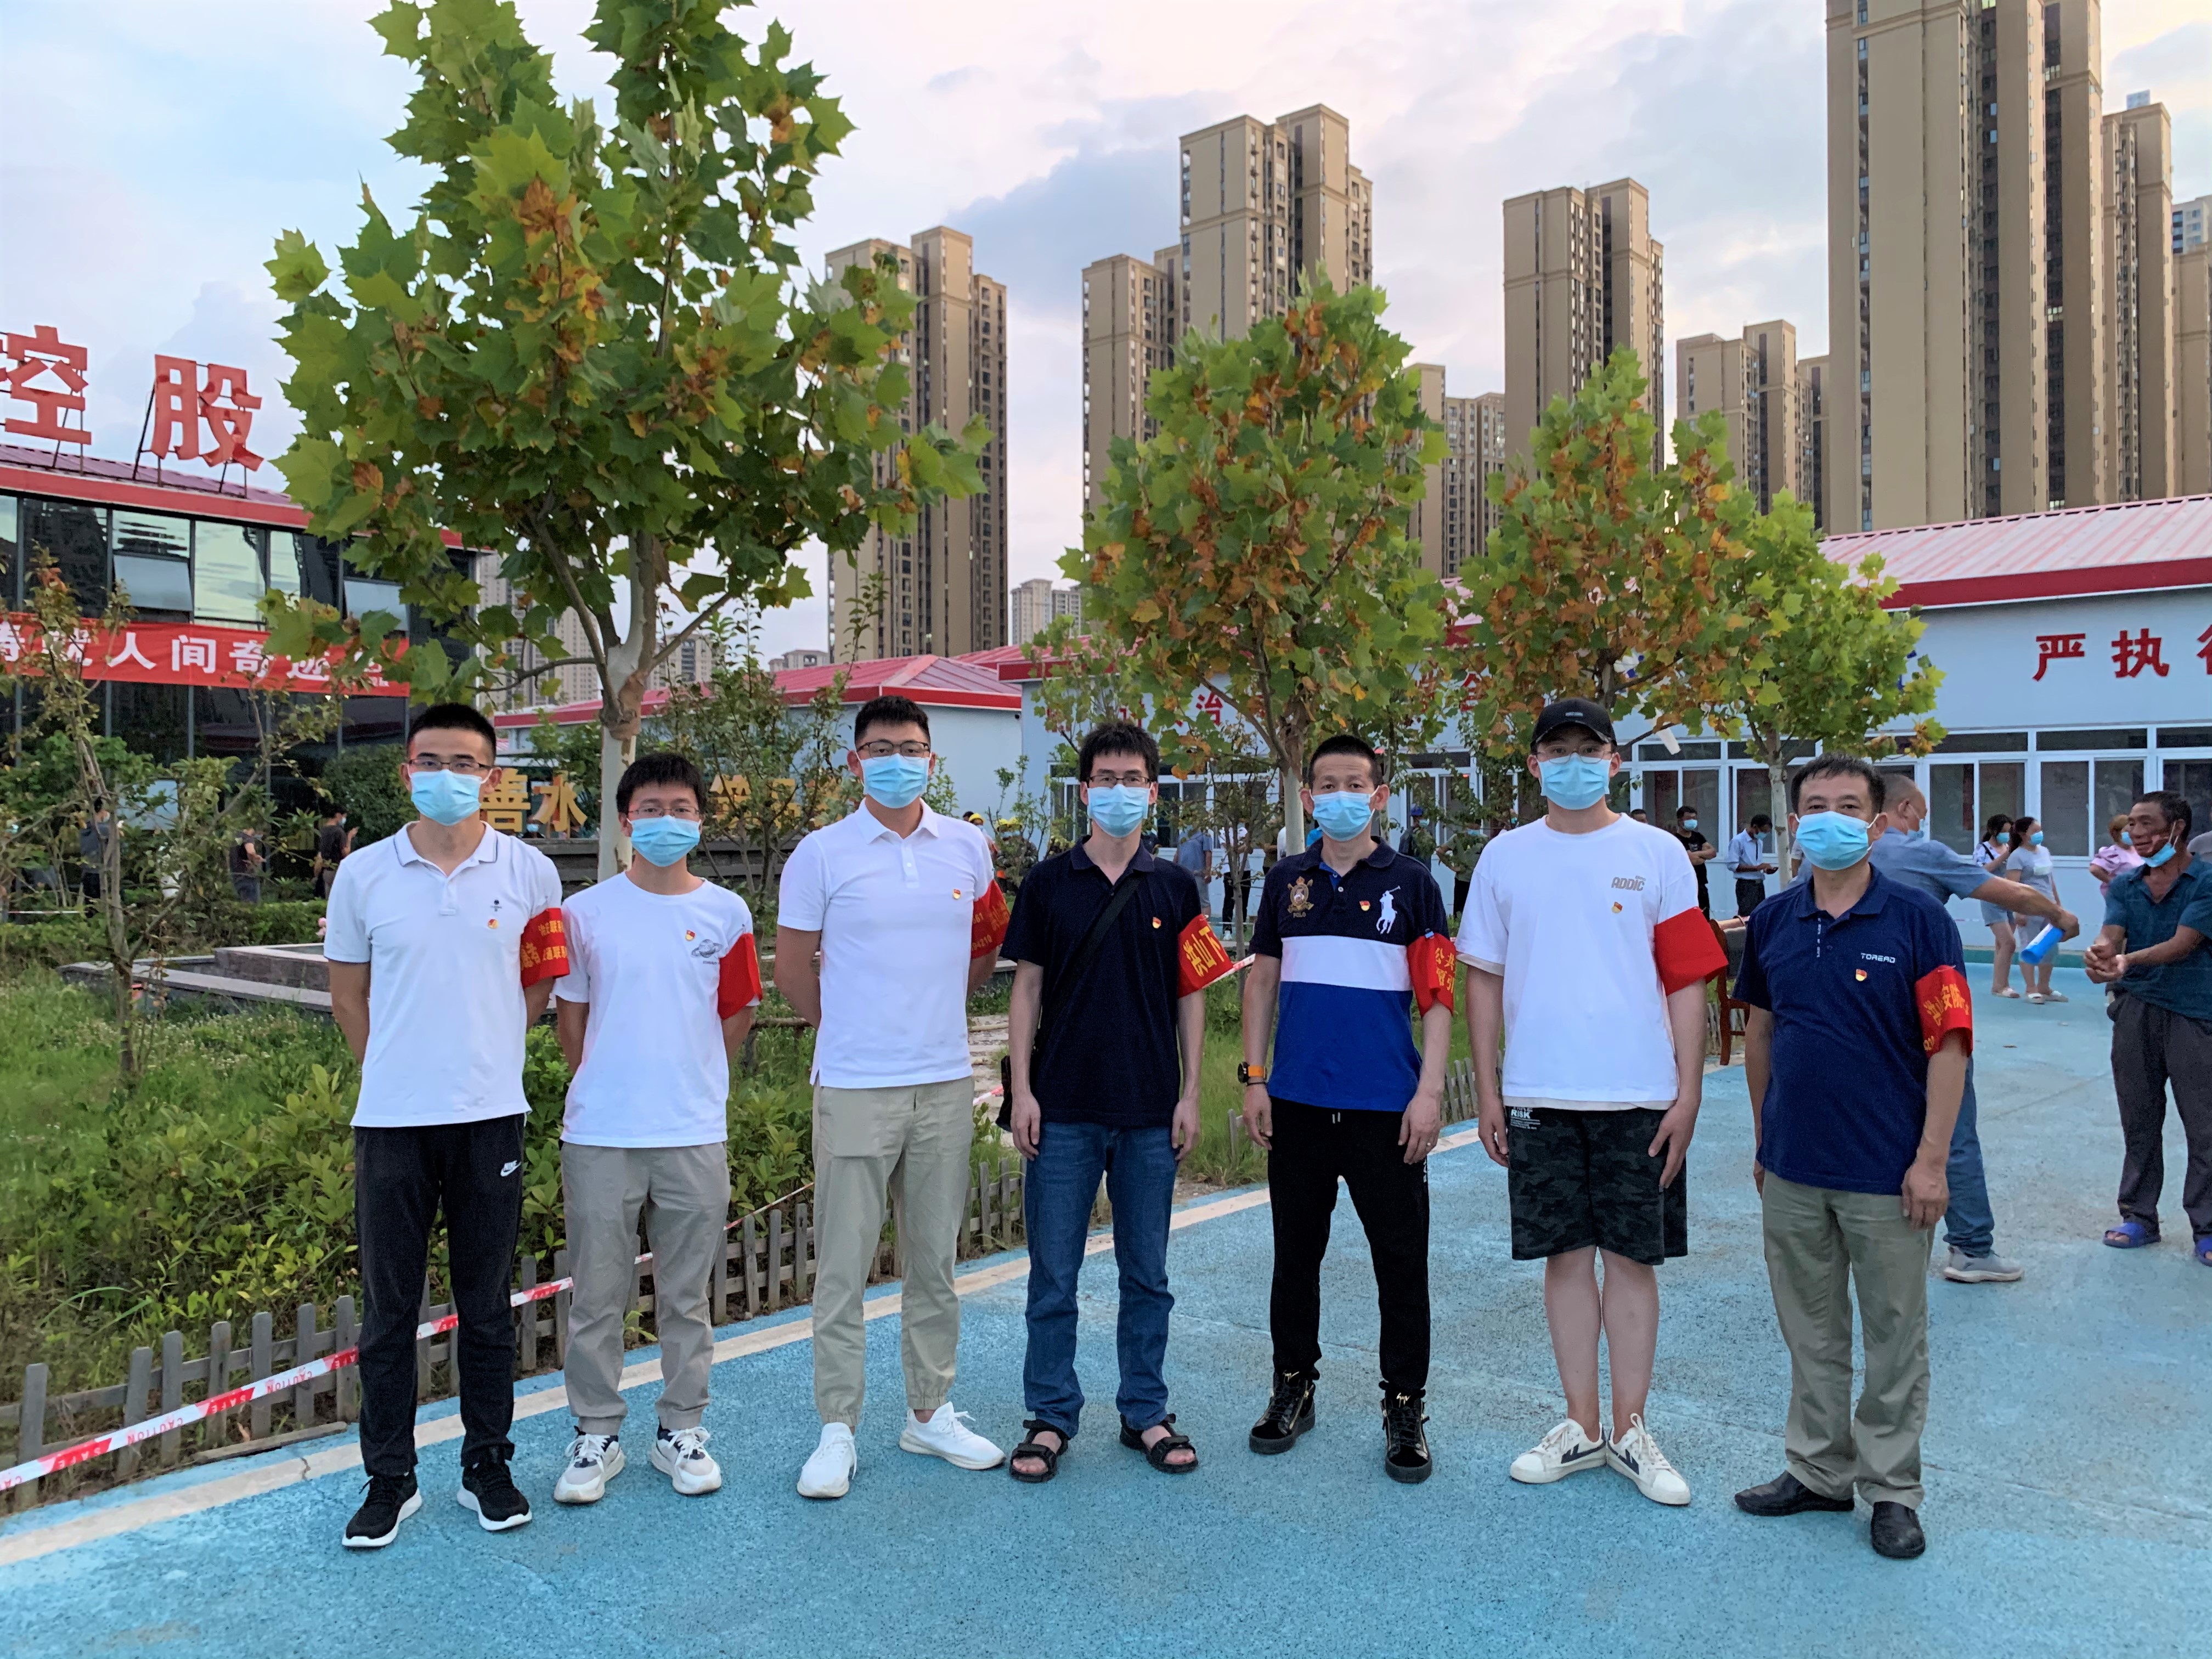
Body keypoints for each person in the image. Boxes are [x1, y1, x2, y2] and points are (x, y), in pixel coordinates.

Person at [1460, 699, 1724, 1507]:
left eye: (1588, 748)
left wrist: (1688, 1092)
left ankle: (1632, 1428)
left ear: (1614, 761)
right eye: (1556, 750)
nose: (1572, 763)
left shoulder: (1658, 852)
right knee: (1565, 1258)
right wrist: (1490, 1089)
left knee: (1633, 1262)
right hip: (1539, 1092)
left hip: (1639, 1095)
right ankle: (1580, 1424)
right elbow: (1483, 977)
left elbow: (1687, 977)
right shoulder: (1505, 857)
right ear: (1534, 764)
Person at [326, 703, 569, 1549]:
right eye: (431, 761)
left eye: (466, 763)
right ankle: (390, 1479)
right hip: (392, 1123)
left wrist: (488, 1052)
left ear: (491, 777)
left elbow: (540, 984)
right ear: (407, 772)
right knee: (389, 1310)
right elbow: (347, 995)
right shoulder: (363, 874)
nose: (447, 776)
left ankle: (486, 1466)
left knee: (487, 1307)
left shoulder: (533, 872)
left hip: (489, 1118)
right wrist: (393, 1070)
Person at [1733, 754, 1970, 1561]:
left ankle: (1892, 1489)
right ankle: (1819, 1471)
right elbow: (1761, 1035)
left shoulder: (1919, 921)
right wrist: (1764, 1140)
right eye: (1815, 805)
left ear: (1874, 824)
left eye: (1846, 805)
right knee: (1812, 1330)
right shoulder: (1774, 920)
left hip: (1888, 1173)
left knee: (1895, 1337)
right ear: (1795, 821)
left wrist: (1931, 1161)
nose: (1828, 818)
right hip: (1794, 1168)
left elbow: (1950, 1044)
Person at [776, 695, 1008, 1499]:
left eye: (910, 748)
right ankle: (837, 1426)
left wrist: (932, 1017)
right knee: (843, 1268)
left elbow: (983, 950)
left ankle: (929, 1411)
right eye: (880, 749)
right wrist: (854, 1031)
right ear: (855, 762)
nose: (896, 761)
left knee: (934, 1262)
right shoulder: (820, 855)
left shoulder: (969, 848)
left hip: (944, 1081)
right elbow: (793, 969)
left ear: (932, 761)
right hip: (853, 1086)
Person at [1002, 722, 1230, 1485]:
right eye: (1106, 778)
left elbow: (1193, 994)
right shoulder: (1047, 883)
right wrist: (1023, 1091)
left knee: (1148, 1276)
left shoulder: (1177, 887)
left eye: (1133, 779)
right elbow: (1026, 989)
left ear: (1154, 792)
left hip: (1149, 1110)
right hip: (1062, 1108)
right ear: (1084, 791)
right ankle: (1050, 1415)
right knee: (1053, 1275)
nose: (1119, 791)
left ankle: (1145, 1411)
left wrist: (1191, 1092)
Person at [1243, 733, 1455, 1483]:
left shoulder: (1414, 885)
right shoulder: (1285, 881)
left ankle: (1405, 1405)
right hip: (1298, 1104)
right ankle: (1293, 1386)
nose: (1340, 796)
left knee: (1400, 1263)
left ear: (1379, 796)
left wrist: (1429, 1093)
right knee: (1295, 1257)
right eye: (1326, 785)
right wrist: (1254, 1078)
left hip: (1386, 1110)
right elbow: (1261, 982)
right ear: (1308, 798)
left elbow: (1438, 998)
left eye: (1354, 784)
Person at [550, 752, 759, 1508]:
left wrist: (690, 1075)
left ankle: (681, 1428)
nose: (665, 821)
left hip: (692, 1131)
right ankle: (596, 1432)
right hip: (601, 1133)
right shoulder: (586, 913)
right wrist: (609, 1079)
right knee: (597, 1296)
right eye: (649, 809)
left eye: (681, 808)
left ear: (701, 819)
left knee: (686, 1296)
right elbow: (571, 1019)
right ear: (623, 821)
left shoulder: (727, 914)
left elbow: (738, 1012)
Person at [1808, 777, 2078, 1285]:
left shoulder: (1818, 862)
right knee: (1951, 1122)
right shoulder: (1922, 853)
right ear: (1903, 809)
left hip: (1844, 1014)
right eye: (1922, 813)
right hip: (1918, 1013)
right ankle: (1971, 1246)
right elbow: (2009, 892)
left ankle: (1845, 1235)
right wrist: (2059, 915)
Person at [2084, 792, 2212, 1263]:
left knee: (2205, 1124)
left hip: (2195, 1012)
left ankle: (2208, 1228)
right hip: (2136, 1011)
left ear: (2177, 828)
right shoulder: (2125, 885)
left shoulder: (2206, 881)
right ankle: (2139, 1216)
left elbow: (2183, 943)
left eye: (2146, 823)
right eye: (2132, 824)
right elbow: (2111, 934)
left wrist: (2124, 961)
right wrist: (2101, 953)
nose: (2135, 832)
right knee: (2138, 1117)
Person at [2003, 815, 2062, 1003]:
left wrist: (2058, 904)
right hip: (2029, 908)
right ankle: (2031, 988)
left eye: (2040, 830)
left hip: (2049, 907)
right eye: (2035, 831)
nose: (2039, 834)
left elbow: (2050, 880)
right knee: (2030, 946)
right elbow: (2012, 887)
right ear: (2023, 834)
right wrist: (2018, 911)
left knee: (2050, 947)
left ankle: (2044, 986)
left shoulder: (2044, 851)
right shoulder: (2017, 856)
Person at [1974, 815, 2023, 996]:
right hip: (1991, 899)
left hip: (2008, 898)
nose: (2006, 835)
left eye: (2009, 832)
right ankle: (2000, 986)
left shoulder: (2009, 848)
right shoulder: (1983, 849)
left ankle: (2001, 983)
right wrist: (2003, 857)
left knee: (2002, 945)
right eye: (2003, 832)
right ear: (1994, 831)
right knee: (2009, 942)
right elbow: (1980, 871)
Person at [1725, 814, 1779, 917]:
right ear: (1755, 827)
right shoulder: (1738, 841)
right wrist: (1758, 868)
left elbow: (1757, 863)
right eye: (1763, 831)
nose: (1764, 835)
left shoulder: (1759, 842)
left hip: (1759, 884)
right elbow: (1733, 866)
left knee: (1761, 915)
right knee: (1747, 916)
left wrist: (1765, 870)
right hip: (1746, 885)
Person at [1674, 805, 1716, 917]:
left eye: (1694, 818)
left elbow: (1713, 853)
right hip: (1685, 886)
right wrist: (1703, 856)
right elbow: (1692, 860)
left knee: (1704, 916)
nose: (1692, 821)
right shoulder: (1676, 840)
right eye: (1688, 818)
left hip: (1701, 884)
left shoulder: (1698, 836)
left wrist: (1697, 855)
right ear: (1680, 821)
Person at [2089, 814, 2142, 900]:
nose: (2132, 834)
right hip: (2123, 898)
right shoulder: (2114, 853)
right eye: (2127, 831)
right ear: (2116, 833)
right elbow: (2094, 869)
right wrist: (2114, 883)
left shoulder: (2137, 850)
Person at [1174, 821, 1216, 913]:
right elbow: (1178, 852)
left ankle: (1205, 922)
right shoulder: (1183, 834)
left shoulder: (1205, 834)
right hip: (1183, 874)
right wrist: (1173, 868)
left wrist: (1208, 872)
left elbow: (1208, 854)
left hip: (1198, 874)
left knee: (1203, 902)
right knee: (1184, 901)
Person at [313, 808, 352, 900]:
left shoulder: (322, 831)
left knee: (328, 899)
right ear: (338, 815)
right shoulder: (339, 832)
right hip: (337, 870)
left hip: (325, 871)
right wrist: (350, 837)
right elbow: (345, 853)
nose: (344, 820)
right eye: (344, 817)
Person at [78, 803, 111, 902]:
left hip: (87, 872)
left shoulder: (85, 828)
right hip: (100, 873)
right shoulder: (105, 829)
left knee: (91, 904)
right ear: (102, 811)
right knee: (104, 904)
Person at [229, 828, 265, 904]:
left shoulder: (237, 839)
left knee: (245, 904)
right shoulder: (247, 837)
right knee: (252, 905)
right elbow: (250, 851)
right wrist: (256, 858)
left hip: (237, 876)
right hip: (248, 877)